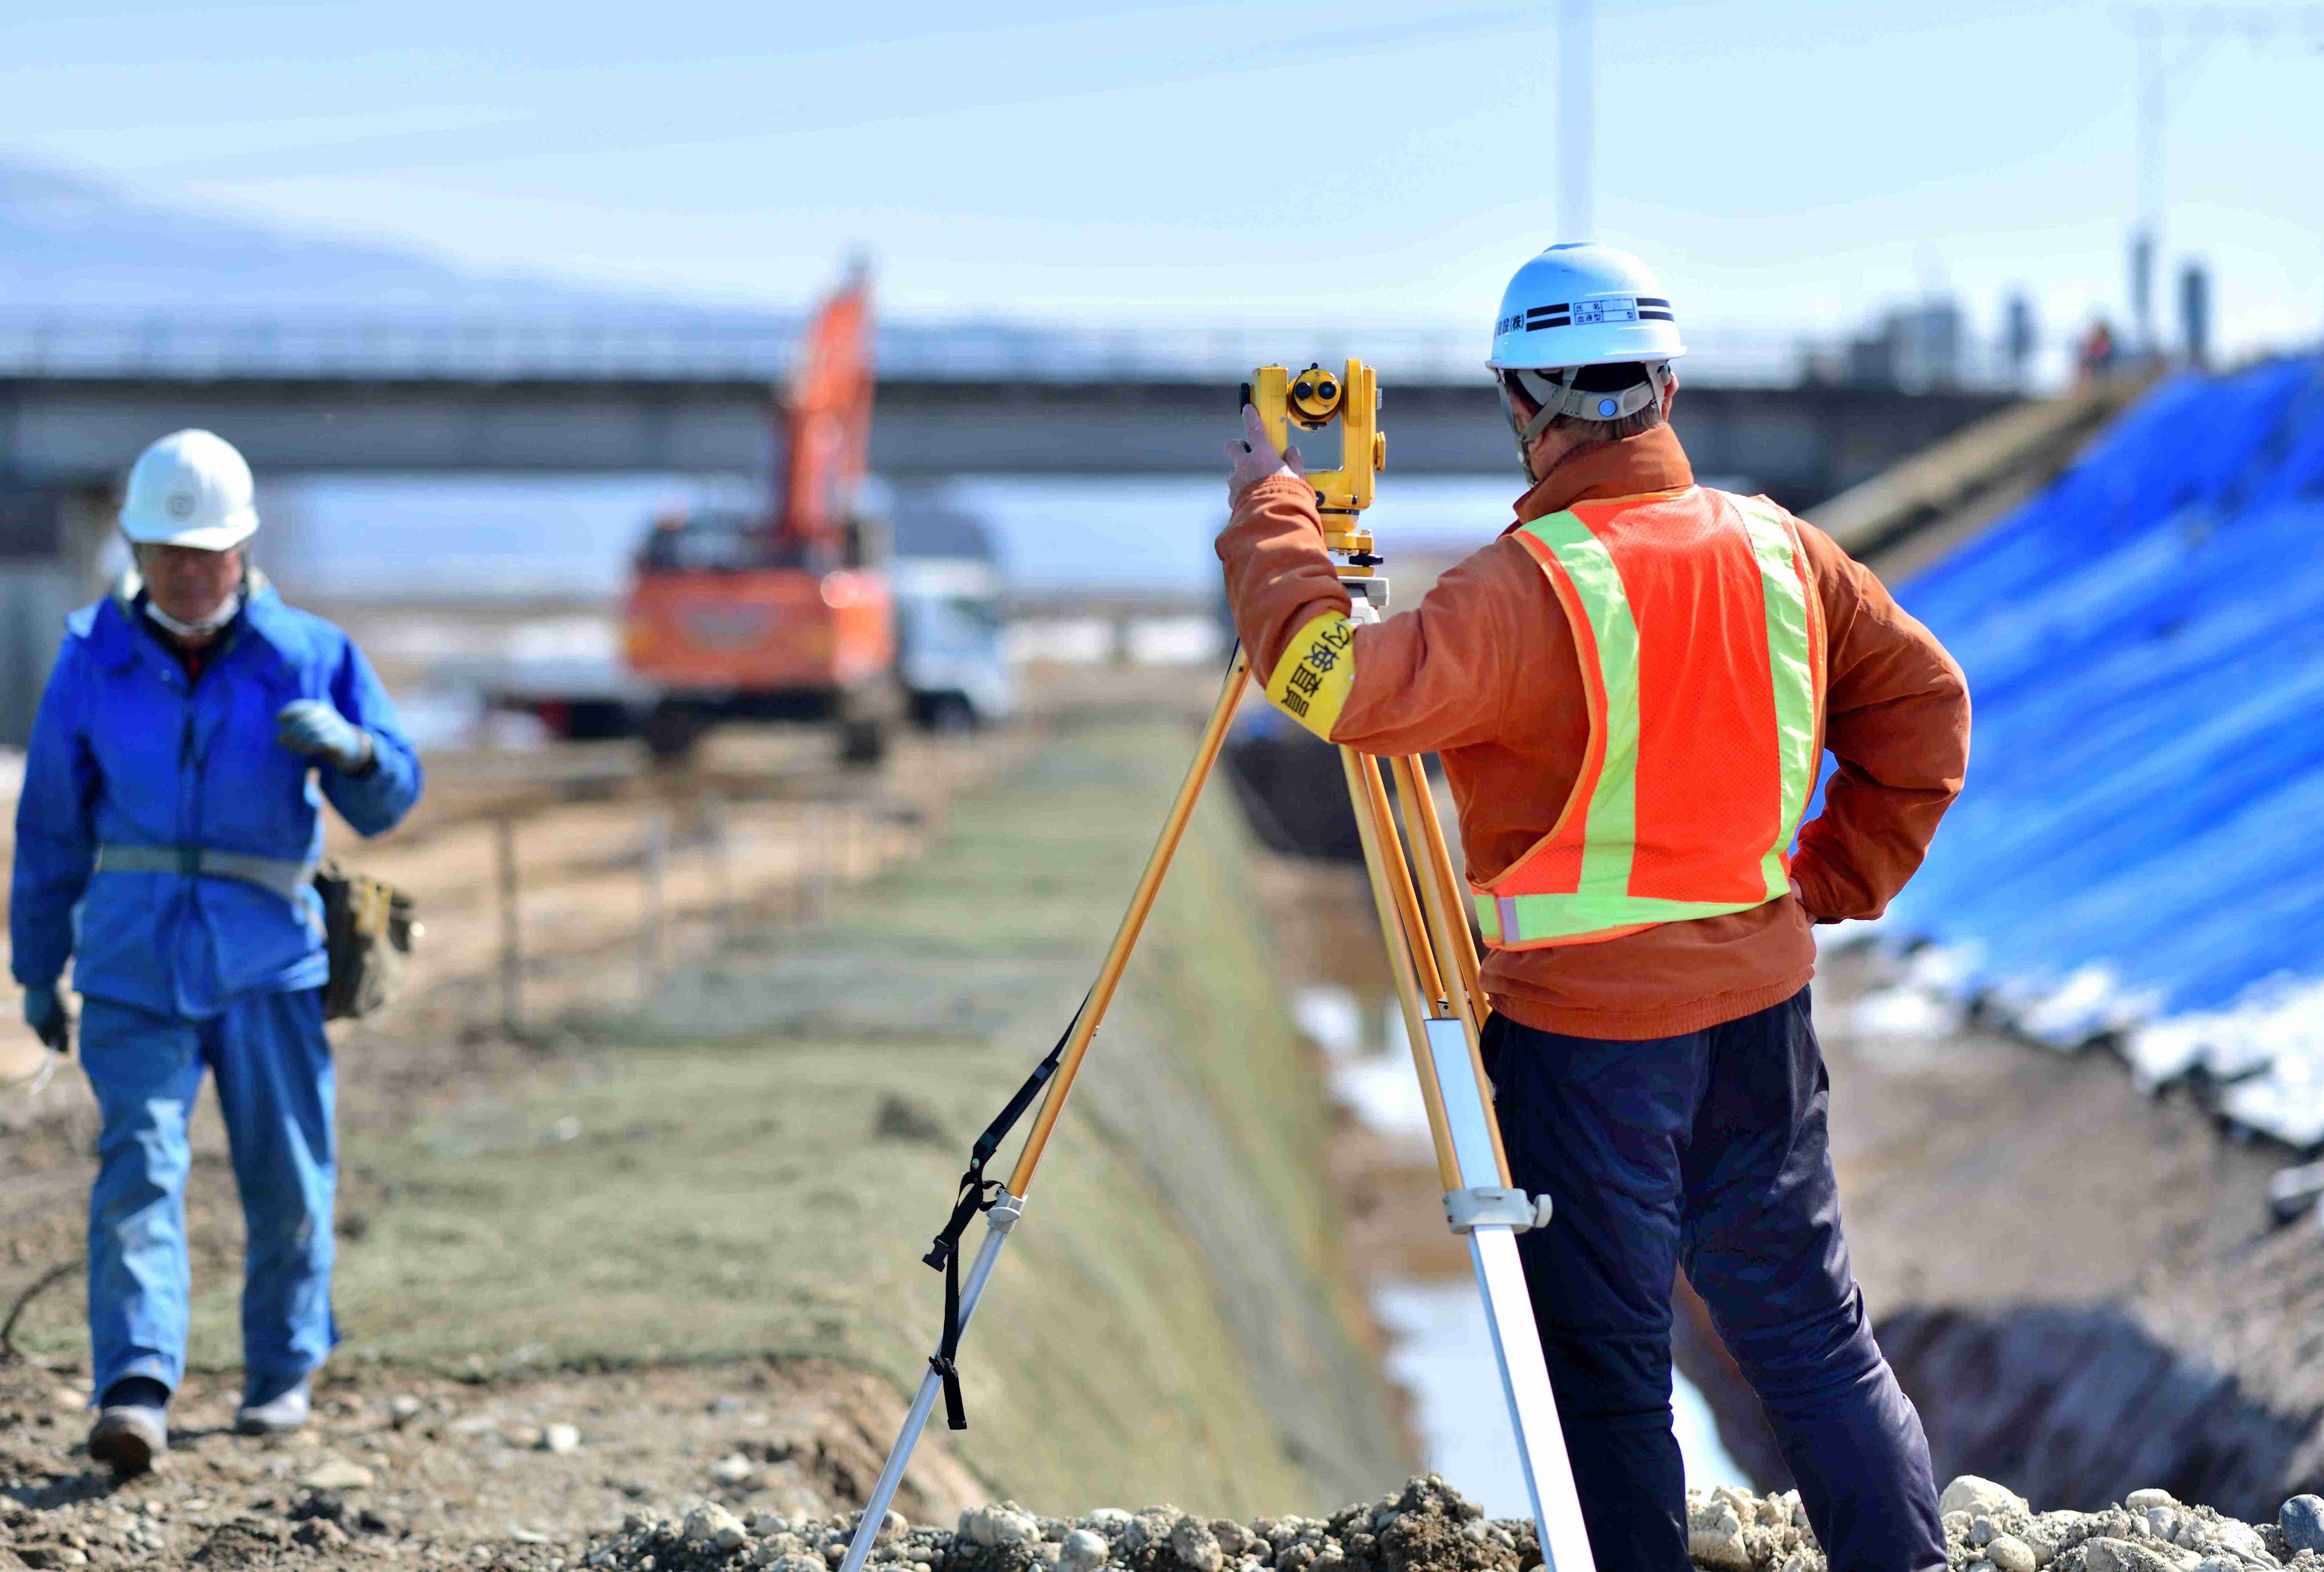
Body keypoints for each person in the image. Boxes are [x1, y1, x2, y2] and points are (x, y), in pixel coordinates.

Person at [1217, 244, 1969, 1572]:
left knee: (1610, 1379)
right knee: (1812, 1344)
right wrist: (1828, 880)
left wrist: (1274, 517)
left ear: (1523, 403)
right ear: (1665, 384)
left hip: (1586, 1054)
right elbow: (1923, 713)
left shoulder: (1523, 588)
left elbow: (1332, 680)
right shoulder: (1780, 548)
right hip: (1760, 1022)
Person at [11, 428, 422, 1475]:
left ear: (242, 550)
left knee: (287, 1175)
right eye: (166, 552)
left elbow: (392, 799)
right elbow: (53, 827)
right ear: (136, 551)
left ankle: (282, 1369)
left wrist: (359, 752)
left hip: (268, 967)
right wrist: (36, 964)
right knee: (138, 1168)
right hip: (133, 967)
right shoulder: (90, 658)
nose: (187, 573)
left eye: (206, 553)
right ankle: (136, 1387)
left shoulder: (311, 654)